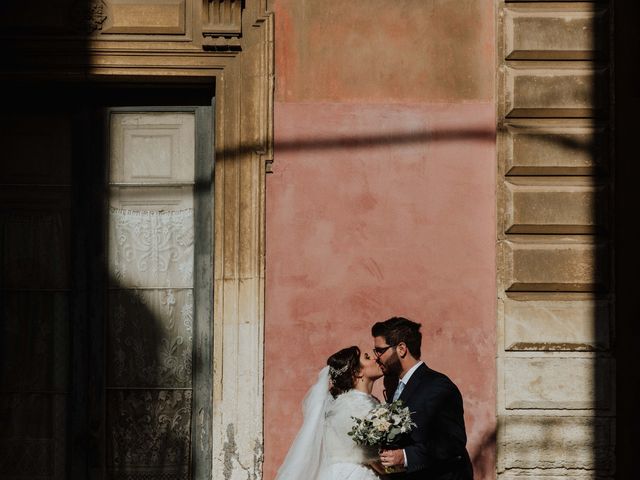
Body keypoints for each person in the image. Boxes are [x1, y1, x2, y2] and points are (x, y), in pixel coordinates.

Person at [372, 317, 473, 480]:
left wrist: (405, 456)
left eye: (380, 350)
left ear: (401, 349)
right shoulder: (397, 388)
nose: (376, 357)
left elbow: (453, 442)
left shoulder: (437, 386)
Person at [274, 346, 385, 480]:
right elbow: (370, 456)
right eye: (367, 358)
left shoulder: (359, 402)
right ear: (357, 372)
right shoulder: (353, 406)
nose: (376, 358)